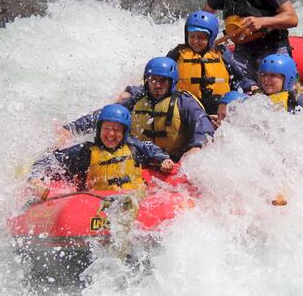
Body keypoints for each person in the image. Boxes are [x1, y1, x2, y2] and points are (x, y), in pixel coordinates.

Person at [62, 57, 215, 162]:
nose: (157, 85)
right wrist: (72, 128)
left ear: (172, 83)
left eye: (163, 81)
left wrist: (196, 147)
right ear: (146, 80)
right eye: (153, 80)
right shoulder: (137, 98)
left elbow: (204, 126)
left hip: (171, 161)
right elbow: (106, 115)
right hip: (139, 157)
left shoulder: (184, 102)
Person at [28, 104, 174, 194]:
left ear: (124, 132)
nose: (111, 134)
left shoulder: (134, 147)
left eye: (117, 130)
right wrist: (35, 180)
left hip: (135, 198)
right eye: (107, 128)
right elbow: (49, 160)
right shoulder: (85, 152)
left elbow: (153, 150)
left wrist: (163, 160)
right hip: (97, 203)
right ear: (99, 130)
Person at [166, 10, 255, 114]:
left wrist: (250, 85)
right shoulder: (177, 54)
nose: (195, 41)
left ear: (211, 37)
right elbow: (162, 76)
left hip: (216, 108)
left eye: (201, 37)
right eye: (192, 36)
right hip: (186, 108)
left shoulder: (222, 53)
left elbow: (238, 79)